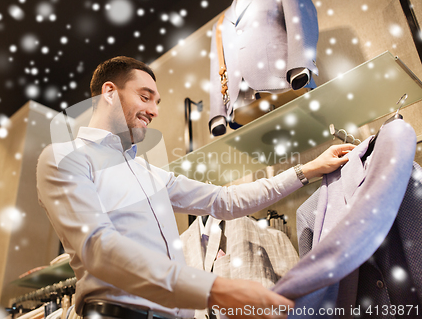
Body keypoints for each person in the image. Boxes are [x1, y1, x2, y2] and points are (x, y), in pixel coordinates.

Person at [36, 56, 355, 319]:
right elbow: (97, 247)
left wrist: (308, 169)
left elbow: (225, 200)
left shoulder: (148, 173)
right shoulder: (64, 158)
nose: (154, 111)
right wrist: (217, 289)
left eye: (157, 102)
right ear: (108, 93)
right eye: (145, 96)